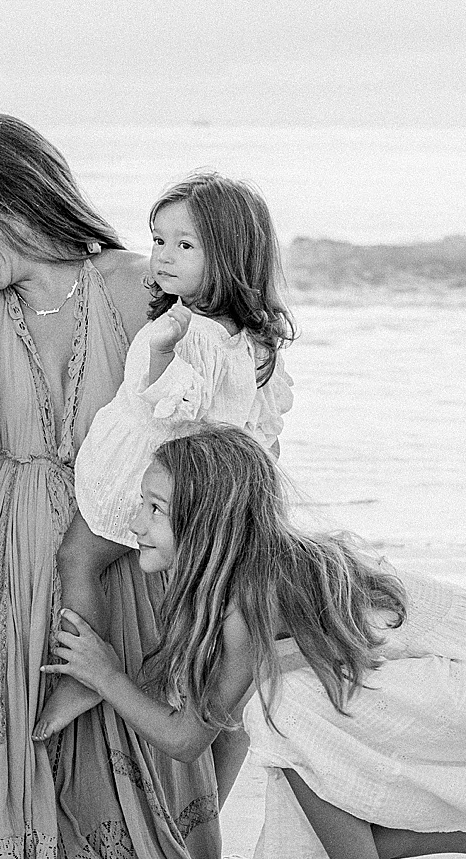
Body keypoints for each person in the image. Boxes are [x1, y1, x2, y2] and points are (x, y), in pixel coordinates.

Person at [0, 113, 306, 859]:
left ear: (20, 191)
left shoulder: (135, 285)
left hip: (125, 539)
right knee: (9, 728)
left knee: (182, 803)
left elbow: (225, 411)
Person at [43, 425, 466, 859]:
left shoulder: (251, 597)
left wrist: (107, 677)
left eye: (156, 509)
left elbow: (186, 739)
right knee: (312, 843)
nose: (136, 525)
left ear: (207, 524)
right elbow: (211, 707)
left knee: (282, 710)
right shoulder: (252, 569)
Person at [34, 172, 295, 771]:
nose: (163, 256)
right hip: (209, 490)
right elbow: (261, 432)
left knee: (78, 559)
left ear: (230, 255)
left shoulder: (192, 335)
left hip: (154, 473)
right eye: (158, 240)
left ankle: (83, 673)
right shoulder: (251, 340)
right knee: (198, 617)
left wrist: (154, 356)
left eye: (185, 245)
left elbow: (168, 410)